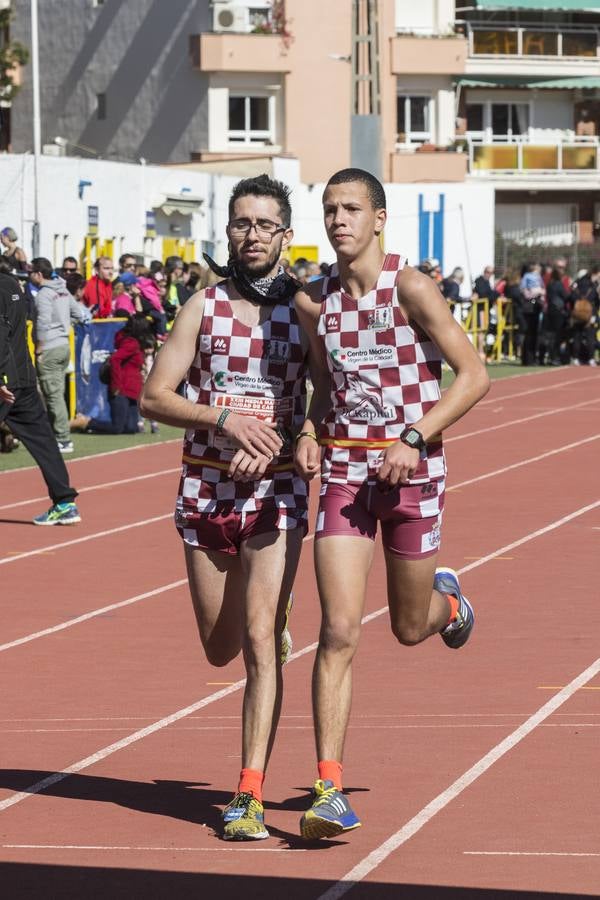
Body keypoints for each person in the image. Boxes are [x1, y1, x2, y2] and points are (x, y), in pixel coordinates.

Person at [294, 168, 489, 840]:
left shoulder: (411, 287)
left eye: (351, 208)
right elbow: (324, 385)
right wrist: (306, 431)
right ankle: (328, 787)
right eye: (329, 209)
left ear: (379, 218)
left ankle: (450, 603)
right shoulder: (315, 300)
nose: (338, 220)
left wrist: (414, 435)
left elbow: (474, 375)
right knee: (338, 630)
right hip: (347, 474)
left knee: (409, 628)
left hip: (411, 473)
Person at [140, 174, 309, 842]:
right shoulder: (201, 307)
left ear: (286, 236)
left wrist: (298, 439)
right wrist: (225, 418)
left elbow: (328, 394)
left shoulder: (303, 310)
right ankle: (264, 612)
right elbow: (155, 396)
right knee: (219, 648)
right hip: (207, 489)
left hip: (278, 492)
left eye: (266, 224)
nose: (253, 235)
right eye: (243, 223)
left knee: (260, 641)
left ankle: (248, 795)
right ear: (229, 230)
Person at [0, 270, 80, 524]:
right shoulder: (13, 284)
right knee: (44, 441)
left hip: (7, 381)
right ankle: (65, 502)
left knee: (43, 440)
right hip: (23, 377)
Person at [30, 257, 87, 453]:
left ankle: (63, 439)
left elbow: (43, 323)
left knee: (53, 396)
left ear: (38, 274)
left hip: (50, 349)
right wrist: (64, 324)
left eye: (31, 272)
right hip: (63, 346)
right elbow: (79, 314)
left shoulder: (44, 294)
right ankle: (60, 436)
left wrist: (39, 347)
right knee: (57, 395)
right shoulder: (62, 289)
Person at [71, 315, 149, 434]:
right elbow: (114, 360)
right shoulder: (131, 343)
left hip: (132, 390)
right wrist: (116, 385)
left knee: (132, 428)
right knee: (117, 427)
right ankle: (85, 422)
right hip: (122, 388)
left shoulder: (134, 343)